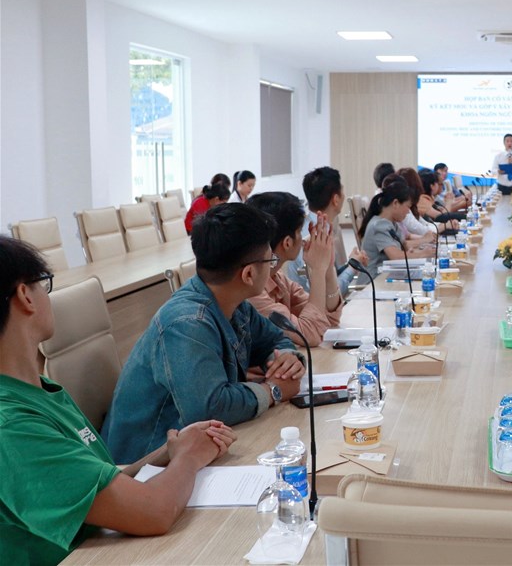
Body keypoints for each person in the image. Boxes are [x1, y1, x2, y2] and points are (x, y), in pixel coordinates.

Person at [0, 237, 236, 565]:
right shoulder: (11, 426)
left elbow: (94, 484)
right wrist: (189, 457)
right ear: (26, 296)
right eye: (44, 284)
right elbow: (155, 512)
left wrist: (167, 453)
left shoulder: (38, 389)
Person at [102, 204, 305, 464]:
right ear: (249, 273)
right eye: (270, 261)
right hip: (146, 464)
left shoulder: (233, 303)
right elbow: (210, 407)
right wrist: (274, 390)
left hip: (192, 453)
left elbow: (275, 339)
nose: (273, 268)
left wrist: (287, 359)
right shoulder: (187, 323)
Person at [246, 192, 343, 347]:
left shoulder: (277, 277)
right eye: (299, 232)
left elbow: (329, 318)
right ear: (287, 242)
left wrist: (328, 266)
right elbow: (310, 334)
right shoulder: (253, 292)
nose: (303, 239)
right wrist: (318, 269)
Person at [287, 166, 369, 296]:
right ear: (335, 199)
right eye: (342, 191)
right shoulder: (312, 237)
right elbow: (328, 294)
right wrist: (352, 269)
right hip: (311, 305)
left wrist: (352, 263)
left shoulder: (316, 227)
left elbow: (331, 278)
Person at [358, 178, 434, 278]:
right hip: (374, 281)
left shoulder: (392, 223)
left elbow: (404, 246)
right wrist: (423, 254)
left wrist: (416, 252)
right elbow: (396, 256)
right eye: (408, 207)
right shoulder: (379, 225)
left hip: (387, 276)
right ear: (395, 203)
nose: (408, 212)